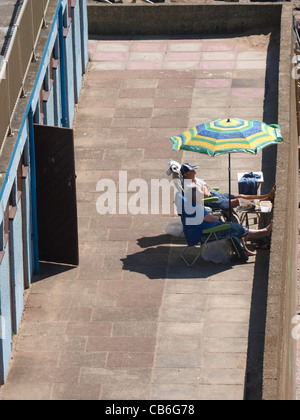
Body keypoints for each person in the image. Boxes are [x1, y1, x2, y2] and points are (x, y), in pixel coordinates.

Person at [177, 189, 273, 257]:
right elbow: (210, 219)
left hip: (203, 231)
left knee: (235, 227)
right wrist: (217, 217)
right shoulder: (196, 207)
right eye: (198, 195)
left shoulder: (188, 206)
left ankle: (246, 248)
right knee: (238, 228)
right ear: (194, 197)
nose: (200, 196)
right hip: (211, 232)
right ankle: (265, 232)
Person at [180, 163, 275, 213]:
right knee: (239, 201)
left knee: (241, 196)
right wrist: (205, 190)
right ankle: (266, 200)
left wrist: (205, 189)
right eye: (193, 171)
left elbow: (207, 185)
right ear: (187, 174)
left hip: (215, 195)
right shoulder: (189, 186)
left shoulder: (193, 179)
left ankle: (266, 196)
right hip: (214, 201)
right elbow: (205, 195)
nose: (195, 173)